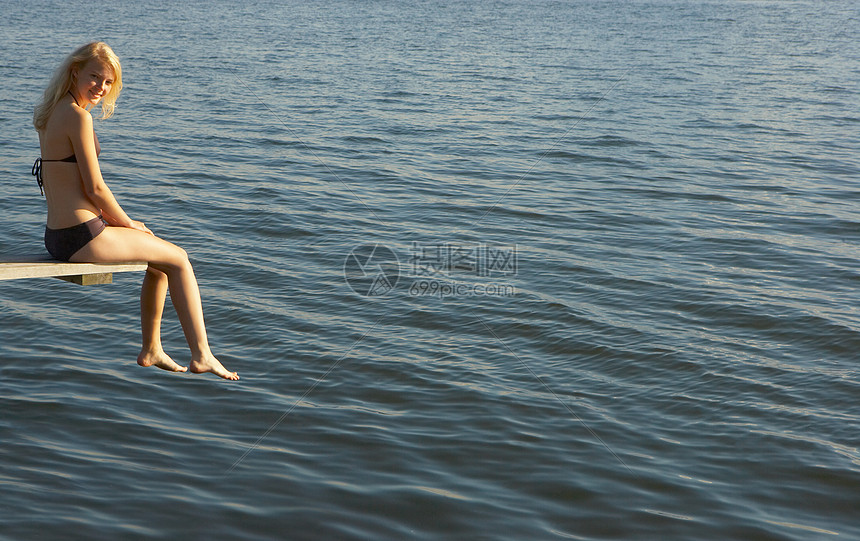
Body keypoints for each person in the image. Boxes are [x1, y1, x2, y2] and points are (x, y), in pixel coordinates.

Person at [32, 42, 238, 381]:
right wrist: (127, 224)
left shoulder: (52, 112)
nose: (100, 87)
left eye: (108, 81)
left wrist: (125, 227)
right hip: (83, 237)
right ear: (75, 72)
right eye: (94, 76)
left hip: (57, 236)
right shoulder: (78, 117)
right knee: (180, 258)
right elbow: (94, 189)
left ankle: (152, 348)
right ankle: (202, 355)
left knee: (159, 262)